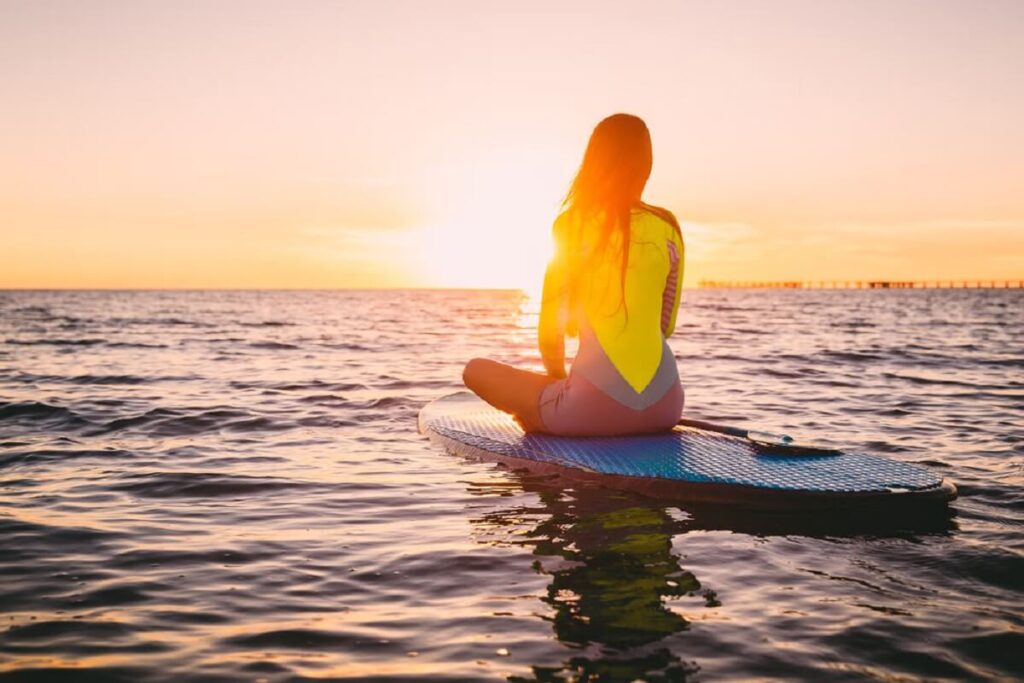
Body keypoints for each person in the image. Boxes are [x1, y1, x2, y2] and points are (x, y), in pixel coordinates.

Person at [463, 113, 684, 436]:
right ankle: (558, 412)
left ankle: (543, 419)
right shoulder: (669, 227)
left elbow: (550, 332)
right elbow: (666, 325)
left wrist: (560, 380)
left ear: (593, 162)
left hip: (589, 411)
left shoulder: (572, 225)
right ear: (645, 165)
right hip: (667, 408)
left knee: (476, 370)